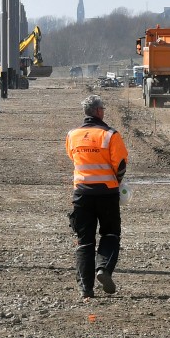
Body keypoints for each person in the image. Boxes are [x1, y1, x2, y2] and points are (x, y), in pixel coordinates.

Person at [64, 94, 129, 299]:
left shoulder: (72, 135)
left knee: (85, 241)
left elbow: (72, 157)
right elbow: (120, 164)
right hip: (107, 193)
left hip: (82, 193)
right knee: (110, 234)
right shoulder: (110, 135)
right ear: (99, 112)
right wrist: (118, 181)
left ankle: (86, 288)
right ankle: (103, 269)